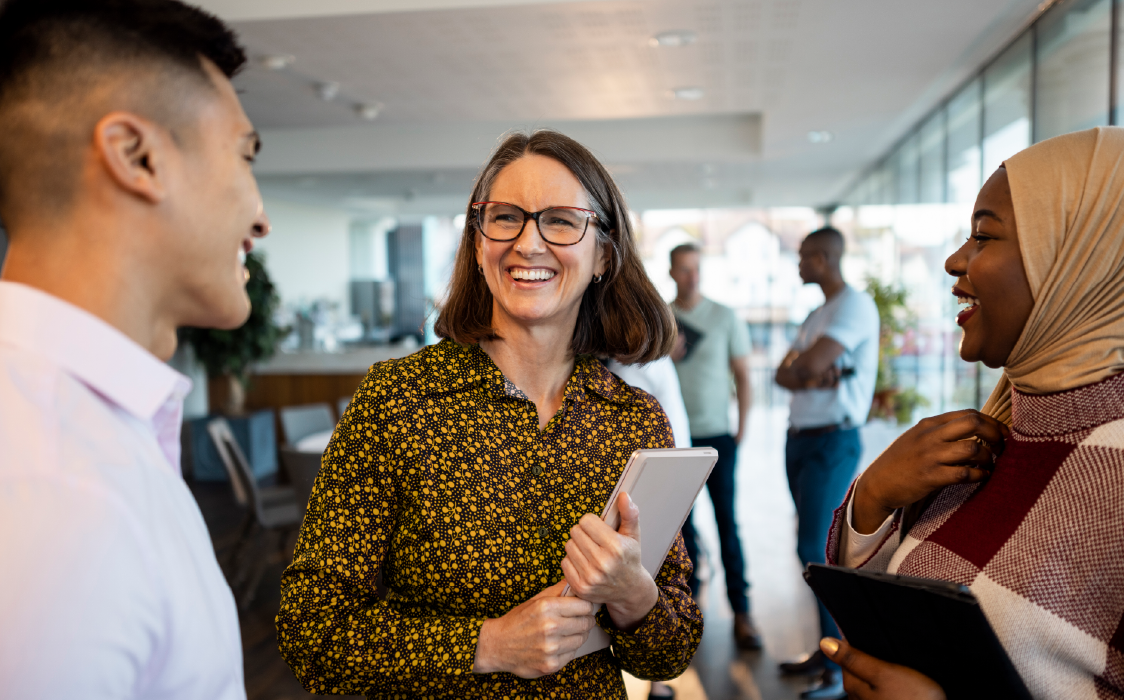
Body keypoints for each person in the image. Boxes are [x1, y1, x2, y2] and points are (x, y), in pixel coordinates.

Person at [277, 130, 703, 699]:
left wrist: (633, 594)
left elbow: (669, 653)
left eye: (560, 220)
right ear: (478, 245)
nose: (528, 243)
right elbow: (310, 632)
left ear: (603, 252)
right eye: (505, 218)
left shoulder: (633, 419)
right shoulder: (396, 403)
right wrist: (489, 644)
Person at [820, 127, 1124, 699]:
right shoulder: (995, 433)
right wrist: (873, 498)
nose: (954, 260)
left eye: (982, 237)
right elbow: (889, 614)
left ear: (1081, 262)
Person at [0, 1, 270, 698]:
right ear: (137, 156)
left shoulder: (92, 436)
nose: (261, 216)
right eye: (244, 155)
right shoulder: (54, 489)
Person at [773, 227, 879, 697]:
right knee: (809, 546)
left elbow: (807, 368)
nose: (798, 264)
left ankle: (840, 669)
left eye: (802, 257)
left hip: (832, 441)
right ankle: (826, 649)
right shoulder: (817, 313)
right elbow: (785, 374)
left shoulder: (854, 305)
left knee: (818, 550)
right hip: (800, 439)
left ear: (823, 257)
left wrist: (805, 370)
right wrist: (803, 370)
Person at [668, 242, 762, 650]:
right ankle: (688, 612)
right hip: (673, 441)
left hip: (717, 436)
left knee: (727, 523)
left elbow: (742, 373)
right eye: (684, 270)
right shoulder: (661, 319)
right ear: (672, 273)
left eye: (696, 269)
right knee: (680, 532)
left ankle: (742, 613)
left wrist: (741, 426)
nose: (692, 276)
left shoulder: (724, 317)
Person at [608, 351, 690, 700]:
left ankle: (657, 683)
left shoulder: (649, 368)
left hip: (655, 488)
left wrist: (679, 492)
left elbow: (676, 428)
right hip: (629, 489)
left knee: (657, 571)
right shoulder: (604, 367)